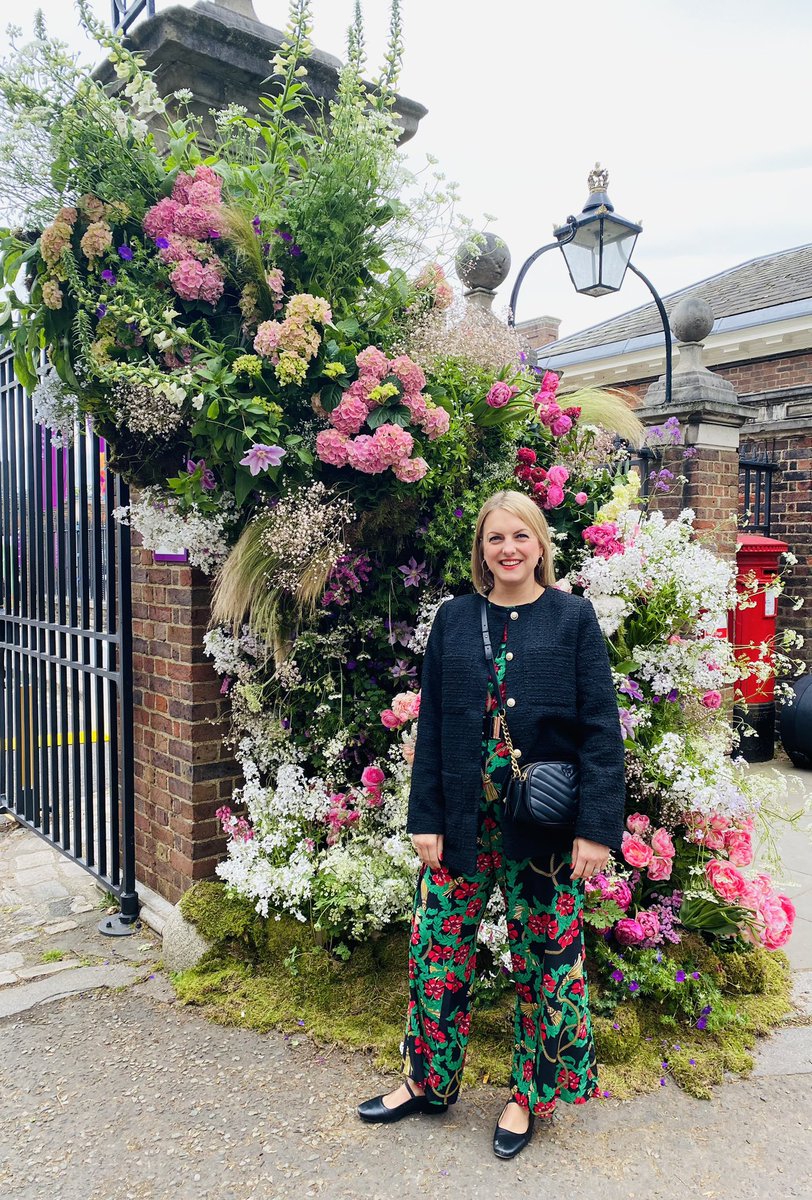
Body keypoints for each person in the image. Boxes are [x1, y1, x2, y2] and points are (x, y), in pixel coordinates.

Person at [357, 489, 625, 1159]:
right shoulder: (454, 619)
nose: (509, 549)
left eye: (520, 536)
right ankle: (426, 1081)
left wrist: (597, 829)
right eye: (495, 538)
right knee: (437, 953)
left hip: (544, 827)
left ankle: (528, 1095)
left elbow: (600, 731)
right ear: (481, 549)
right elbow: (432, 724)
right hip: (459, 822)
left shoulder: (572, 619)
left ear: (540, 544)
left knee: (544, 963)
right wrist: (424, 816)